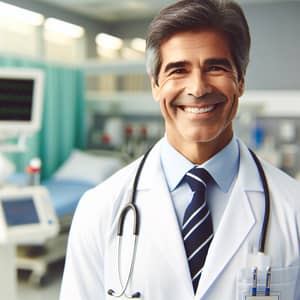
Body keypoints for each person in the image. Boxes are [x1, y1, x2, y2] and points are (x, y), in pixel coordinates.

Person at [60, 0, 300, 299]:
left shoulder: (293, 208)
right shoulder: (99, 208)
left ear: (240, 81)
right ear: (155, 85)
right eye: (178, 70)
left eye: (215, 67)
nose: (198, 88)